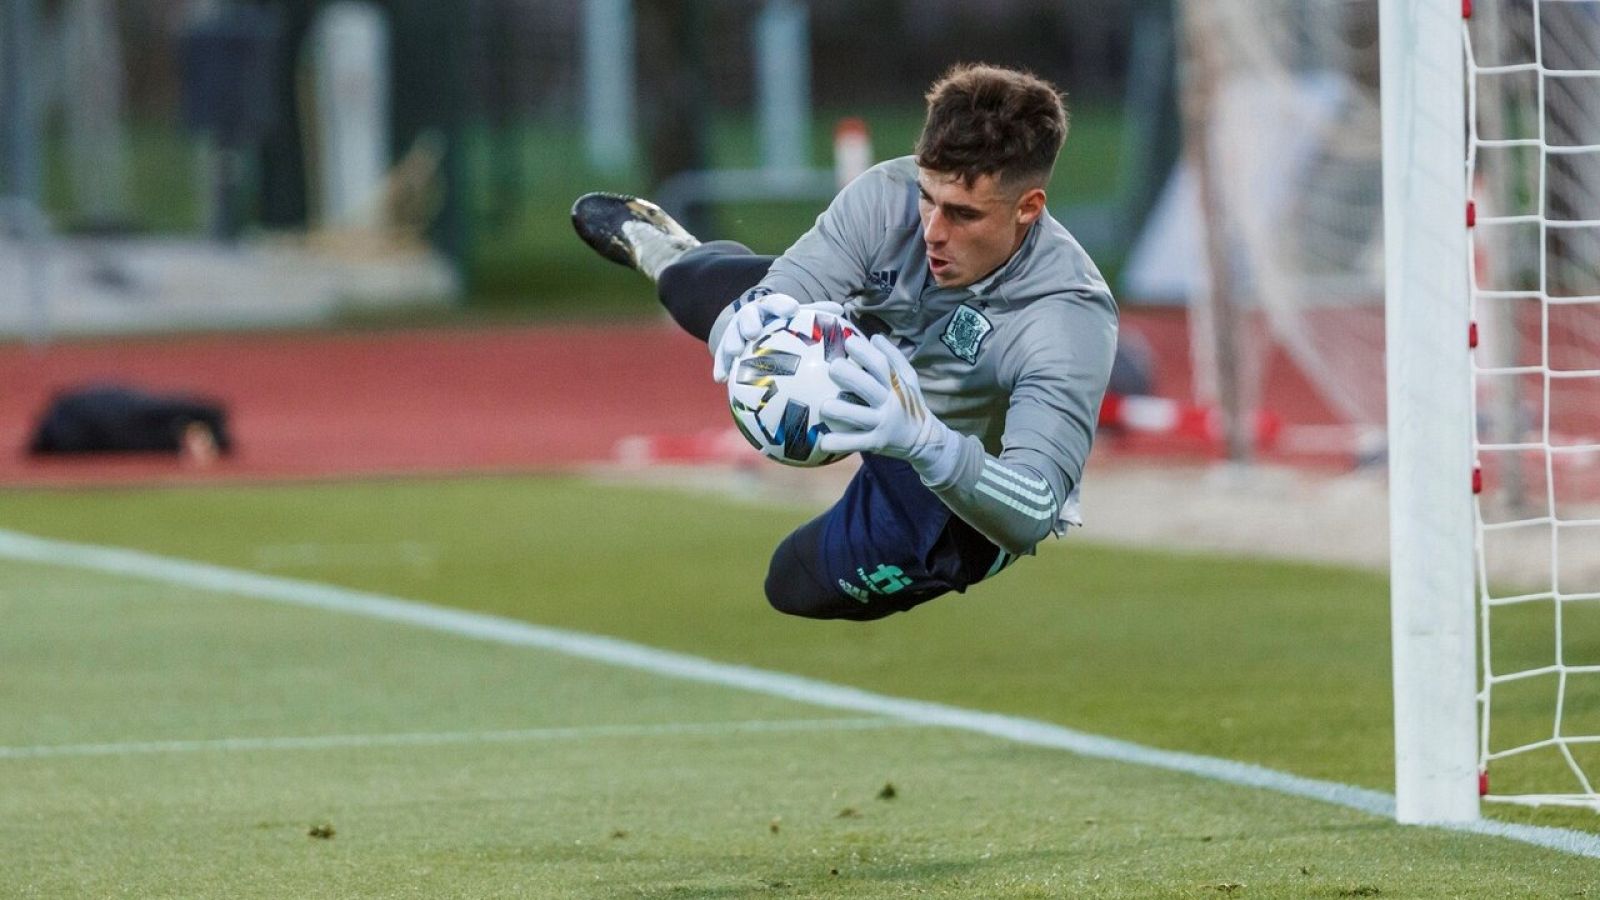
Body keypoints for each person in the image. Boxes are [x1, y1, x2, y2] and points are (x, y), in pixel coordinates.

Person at [571, 63, 1117, 621]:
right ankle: (672, 254)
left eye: (963, 214)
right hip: (864, 350)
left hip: (956, 488)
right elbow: (797, 283)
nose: (932, 229)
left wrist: (927, 443)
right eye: (929, 197)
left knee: (793, 582)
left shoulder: (1066, 318)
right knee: (697, 291)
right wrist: (762, 313)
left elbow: (1036, 506)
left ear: (1029, 208)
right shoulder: (888, 195)